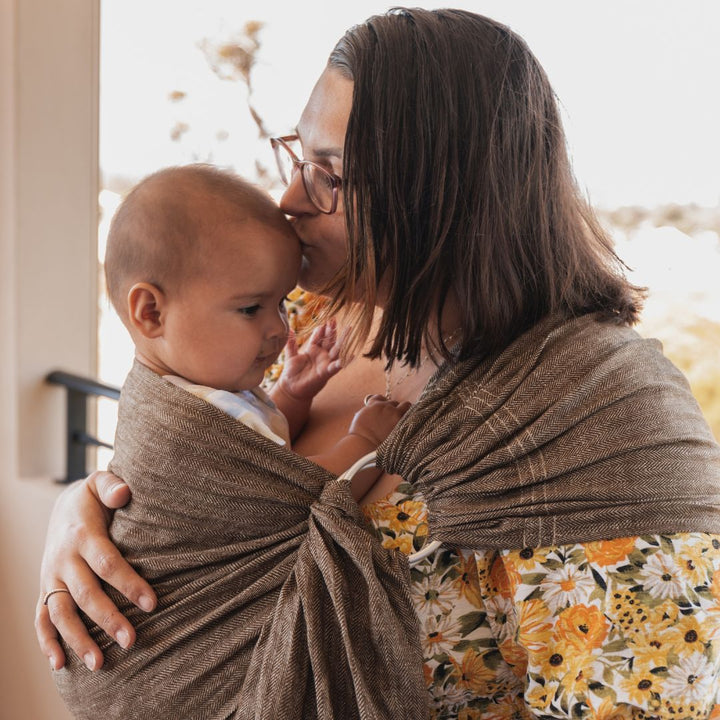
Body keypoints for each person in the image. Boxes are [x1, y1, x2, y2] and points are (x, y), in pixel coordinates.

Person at [37, 8, 720, 719]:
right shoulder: (303, 324)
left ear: (442, 196)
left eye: (329, 175)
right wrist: (86, 511)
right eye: (298, 158)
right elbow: (207, 468)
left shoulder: (605, 422)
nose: (291, 200)